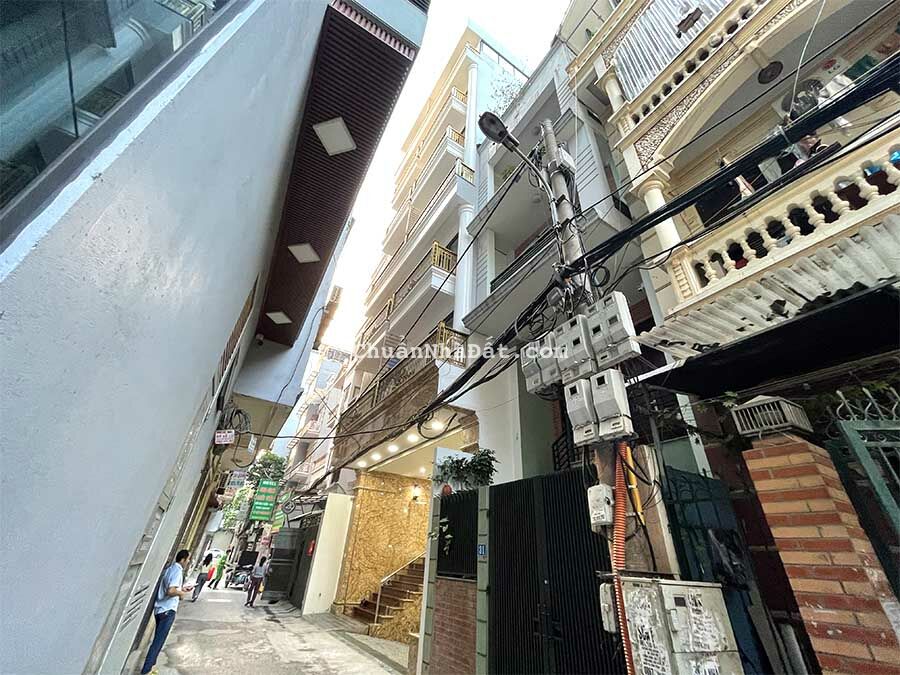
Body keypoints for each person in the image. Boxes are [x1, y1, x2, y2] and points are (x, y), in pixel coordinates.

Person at [141, 550, 192, 675]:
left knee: (157, 641)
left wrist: (182, 589)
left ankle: (151, 668)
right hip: (167, 611)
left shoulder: (170, 569)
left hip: (160, 609)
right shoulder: (178, 571)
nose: (189, 562)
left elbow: (170, 587)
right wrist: (181, 593)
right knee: (158, 643)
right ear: (183, 559)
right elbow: (171, 591)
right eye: (188, 559)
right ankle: (146, 671)